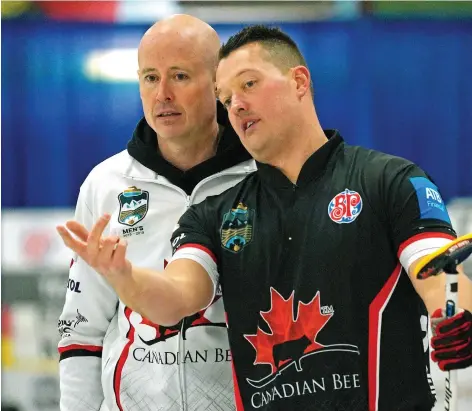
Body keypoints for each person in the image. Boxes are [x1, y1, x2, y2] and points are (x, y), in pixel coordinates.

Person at [57, 25, 472, 411]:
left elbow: (440, 273)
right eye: (227, 97)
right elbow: (177, 296)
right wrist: (125, 277)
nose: (236, 105)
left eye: (249, 84)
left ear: (299, 82)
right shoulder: (217, 213)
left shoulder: (389, 180)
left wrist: (454, 310)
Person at [57, 15, 255, 411]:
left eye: (179, 76)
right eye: (150, 77)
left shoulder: (262, 177)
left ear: (218, 85)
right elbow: (82, 330)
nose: (162, 93)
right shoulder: (107, 182)